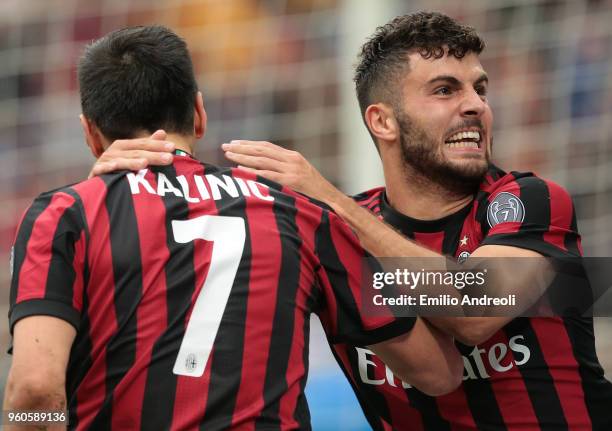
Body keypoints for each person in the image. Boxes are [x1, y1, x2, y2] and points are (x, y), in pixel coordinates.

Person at [96, 12, 612, 430]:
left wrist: (330, 202)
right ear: (382, 121)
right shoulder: (326, 231)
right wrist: (114, 190)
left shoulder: (531, 200)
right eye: (445, 90)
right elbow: (440, 375)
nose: (475, 106)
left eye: (480, 89)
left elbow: (473, 312)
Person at [4, 25, 463, 431]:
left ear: (90, 133)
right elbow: (438, 373)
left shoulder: (65, 214)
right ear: (199, 114)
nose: (475, 103)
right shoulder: (300, 213)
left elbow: (34, 393)